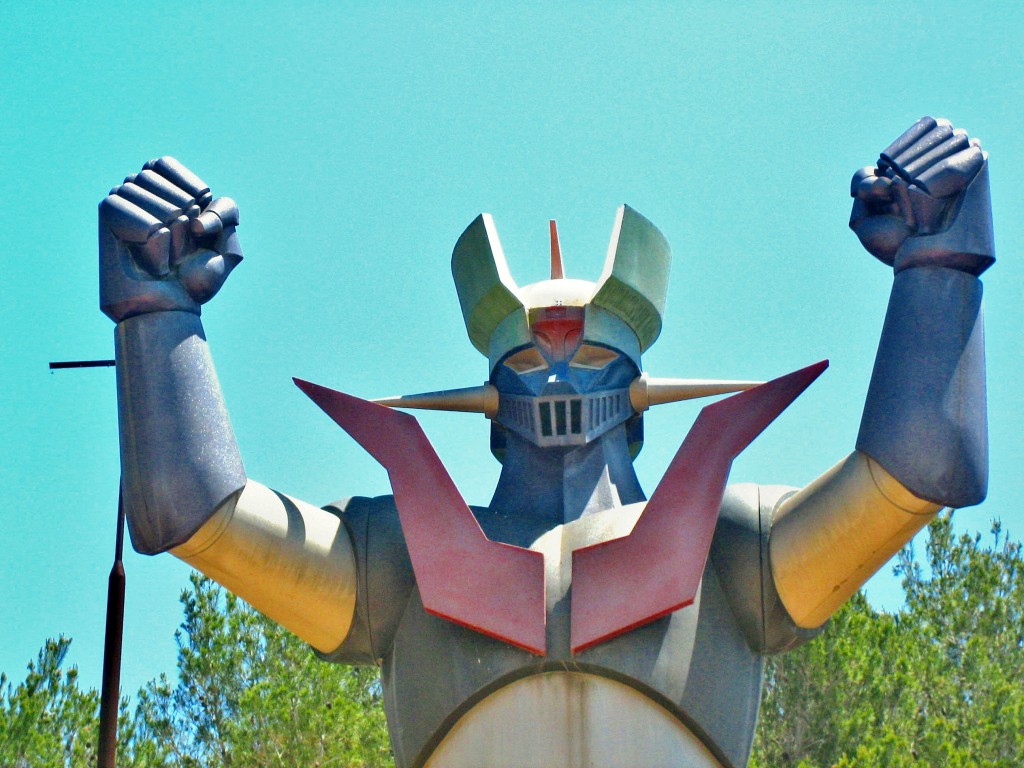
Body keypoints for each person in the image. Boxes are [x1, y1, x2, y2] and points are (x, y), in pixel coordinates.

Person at [99, 116, 993, 768]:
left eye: (592, 352)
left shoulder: (734, 542)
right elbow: (194, 512)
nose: (560, 378)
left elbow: (918, 468)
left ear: (640, 392)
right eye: (530, 355)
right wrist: (154, 313)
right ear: (488, 397)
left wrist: (940, 263)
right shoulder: (395, 558)